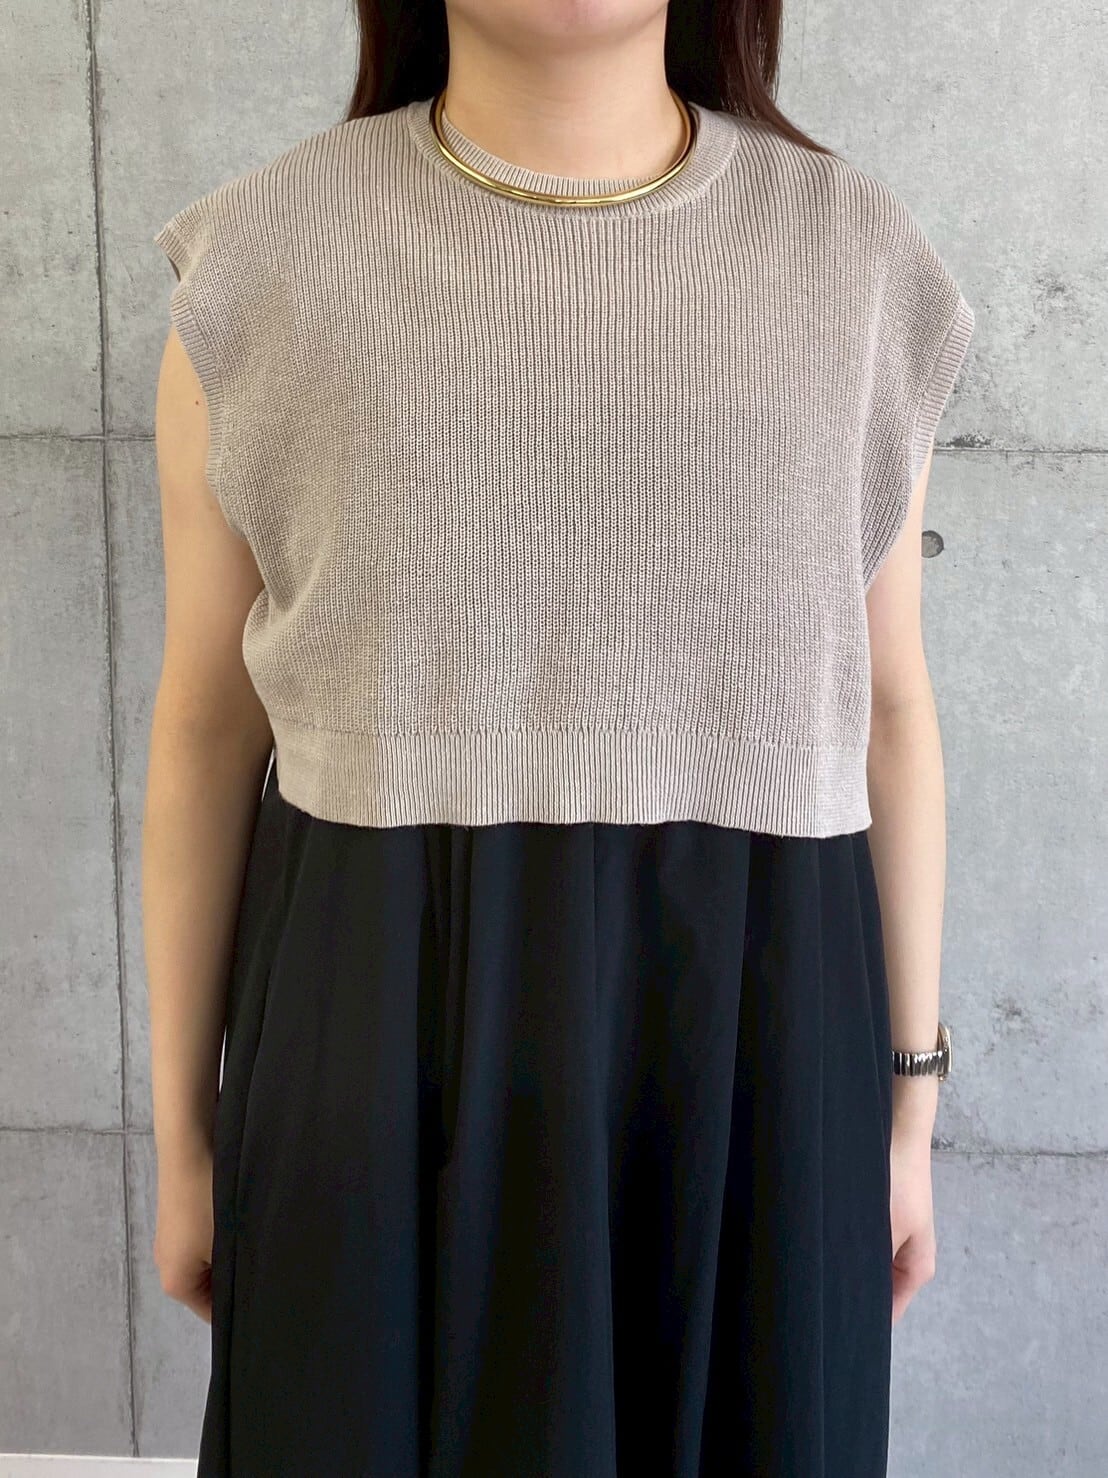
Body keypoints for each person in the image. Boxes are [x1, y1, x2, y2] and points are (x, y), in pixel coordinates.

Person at [144, 2, 971, 1474]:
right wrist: (182, 1139)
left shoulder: (852, 256)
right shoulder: (266, 256)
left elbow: (889, 711)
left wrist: (909, 1110)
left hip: (759, 1045)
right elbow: (207, 729)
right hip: (370, 1038)